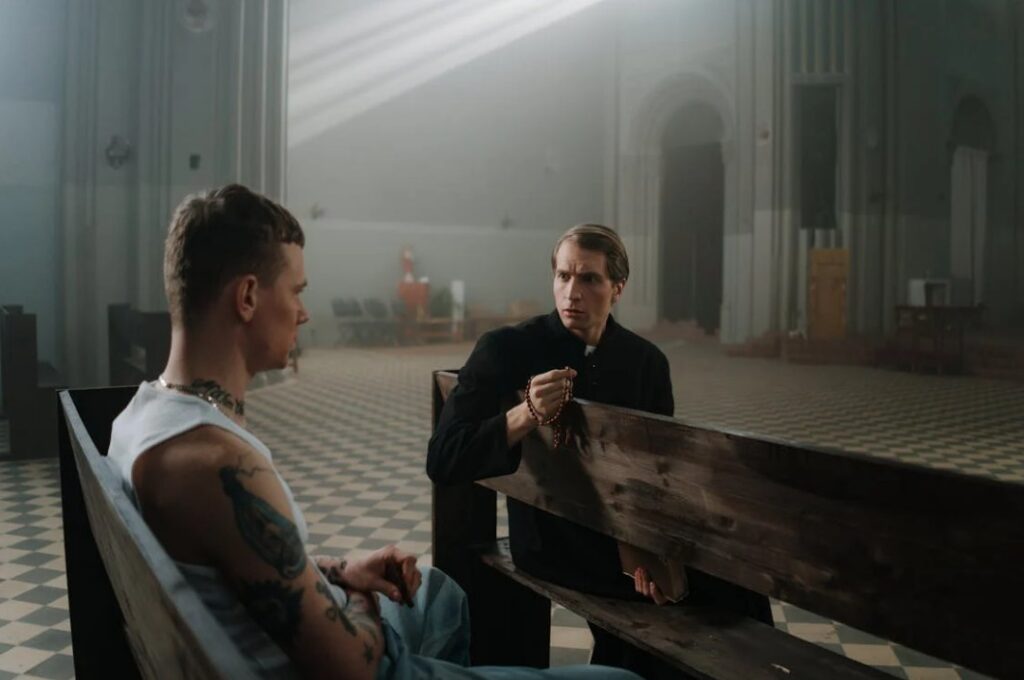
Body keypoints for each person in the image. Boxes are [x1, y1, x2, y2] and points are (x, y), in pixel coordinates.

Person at [107, 185, 642, 680]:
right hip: (363, 666)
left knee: (438, 593)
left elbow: (238, 565)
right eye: (296, 291)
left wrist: (342, 571)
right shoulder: (217, 466)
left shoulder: (142, 416)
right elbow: (356, 666)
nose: (304, 313)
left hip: (267, 636)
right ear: (247, 297)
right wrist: (360, 597)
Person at [427, 224, 772, 677]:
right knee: (686, 603)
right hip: (551, 538)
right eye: (564, 276)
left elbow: (658, 475)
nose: (573, 292)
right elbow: (444, 458)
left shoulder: (645, 362)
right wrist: (525, 414)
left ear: (618, 288)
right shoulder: (507, 348)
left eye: (589, 279)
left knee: (735, 586)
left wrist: (650, 551)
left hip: (624, 535)